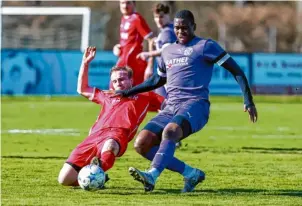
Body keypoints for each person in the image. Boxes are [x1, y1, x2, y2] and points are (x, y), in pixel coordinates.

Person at [111, 10, 258, 193]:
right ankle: (191, 173)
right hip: (170, 106)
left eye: (185, 28)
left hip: (196, 104)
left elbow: (236, 70)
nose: (181, 31)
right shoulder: (167, 51)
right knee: (142, 144)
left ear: (193, 27)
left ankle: (152, 175)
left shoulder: (205, 46)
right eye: (178, 28)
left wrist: (248, 100)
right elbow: (157, 81)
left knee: (170, 131)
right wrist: (127, 92)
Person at [58, 47, 164, 187]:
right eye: (114, 81)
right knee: (64, 180)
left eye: (121, 79)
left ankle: (98, 170)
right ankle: (99, 177)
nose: (118, 83)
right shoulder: (108, 94)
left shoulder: (145, 96)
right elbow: (82, 89)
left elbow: (167, 106)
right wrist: (85, 63)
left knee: (110, 145)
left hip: (118, 134)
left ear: (131, 80)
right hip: (94, 136)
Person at [136, 2, 176, 98]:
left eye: (161, 16)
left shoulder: (167, 32)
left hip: (169, 74)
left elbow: (166, 50)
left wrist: (148, 54)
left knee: (166, 106)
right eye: (156, 17)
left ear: (168, 15)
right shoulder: (167, 29)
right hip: (166, 73)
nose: (158, 20)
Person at [113, 0, 154, 87]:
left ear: (134, 4)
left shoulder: (137, 19)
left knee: (136, 94)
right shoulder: (123, 18)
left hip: (134, 63)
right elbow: (127, 41)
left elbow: (151, 40)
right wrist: (118, 47)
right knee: (115, 90)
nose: (125, 6)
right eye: (122, 3)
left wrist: (150, 65)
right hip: (123, 61)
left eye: (128, 3)